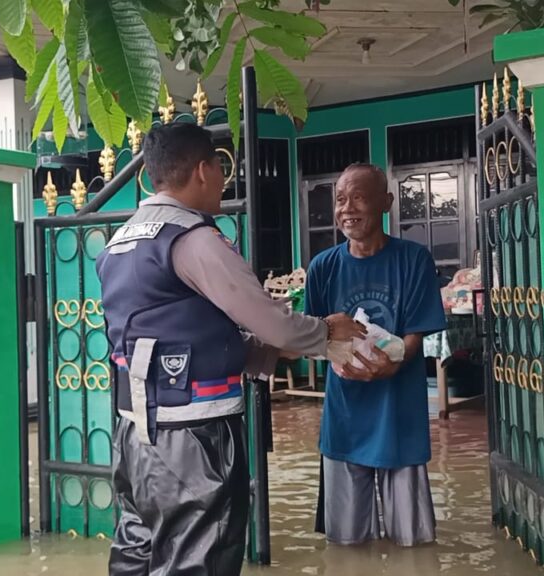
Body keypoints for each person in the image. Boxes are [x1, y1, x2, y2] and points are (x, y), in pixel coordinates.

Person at [96, 123, 364, 576]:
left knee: (137, 555)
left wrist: (266, 352)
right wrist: (324, 333)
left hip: (135, 433)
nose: (224, 180)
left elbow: (177, 335)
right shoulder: (194, 239)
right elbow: (268, 319)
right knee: (200, 559)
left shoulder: (121, 240)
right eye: (221, 169)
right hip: (194, 436)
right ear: (203, 169)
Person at [306, 163, 447, 547]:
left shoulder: (414, 260)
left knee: (413, 543)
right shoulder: (323, 267)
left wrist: (393, 363)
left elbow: (415, 332)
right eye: (339, 199)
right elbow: (314, 333)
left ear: (385, 202)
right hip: (344, 416)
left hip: (398, 414)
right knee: (346, 545)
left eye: (359, 197)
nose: (347, 208)